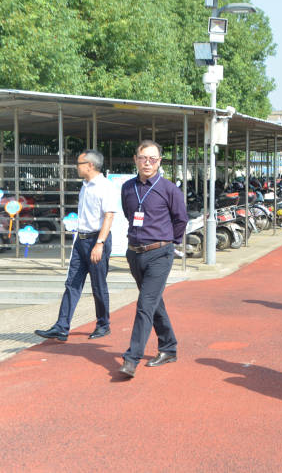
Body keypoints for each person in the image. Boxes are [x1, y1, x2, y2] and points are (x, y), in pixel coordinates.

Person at [118, 140, 188, 378]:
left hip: (160, 252)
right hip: (135, 253)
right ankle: (168, 347)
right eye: (143, 157)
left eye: (152, 158)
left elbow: (181, 220)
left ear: (159, 161)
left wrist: (170, 243)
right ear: (136, 159)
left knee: (144, 305)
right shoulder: (128, 188)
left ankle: (131, 359)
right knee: (154, 302)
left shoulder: (169, 189)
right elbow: (130, 215)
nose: (147, 162)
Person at [34, 150, 117, 342]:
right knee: (72, 283)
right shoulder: (85, 185)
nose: (76, 167)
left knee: (98, 285)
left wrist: (100, 244)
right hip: (81, 240)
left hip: (97, 240)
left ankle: (103, 324)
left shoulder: (105, 187)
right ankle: (61, 327)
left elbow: (109, 216)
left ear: (90, 165)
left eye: (79, 164)